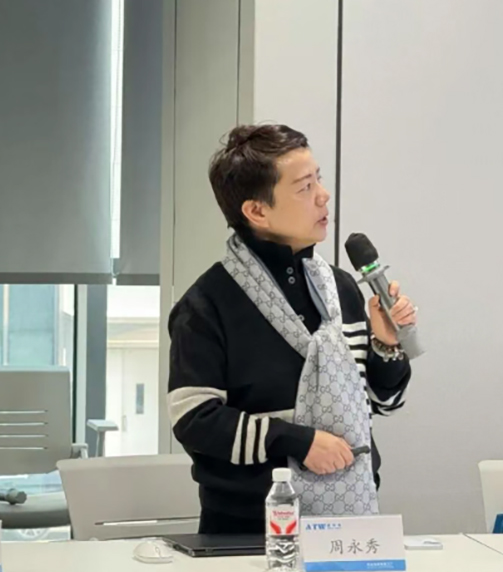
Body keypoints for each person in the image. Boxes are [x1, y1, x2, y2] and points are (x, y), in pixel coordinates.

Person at [167, 124, 416, 534]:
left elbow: (383, 402)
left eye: (319, 179)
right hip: (247, 528)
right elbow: (195, 420)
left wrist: (386, 347)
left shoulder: (341, 288)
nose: (323, 195)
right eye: (304, 187)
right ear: (257, 211)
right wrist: (297, 441)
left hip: (352, 518)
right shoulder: (207, 303)